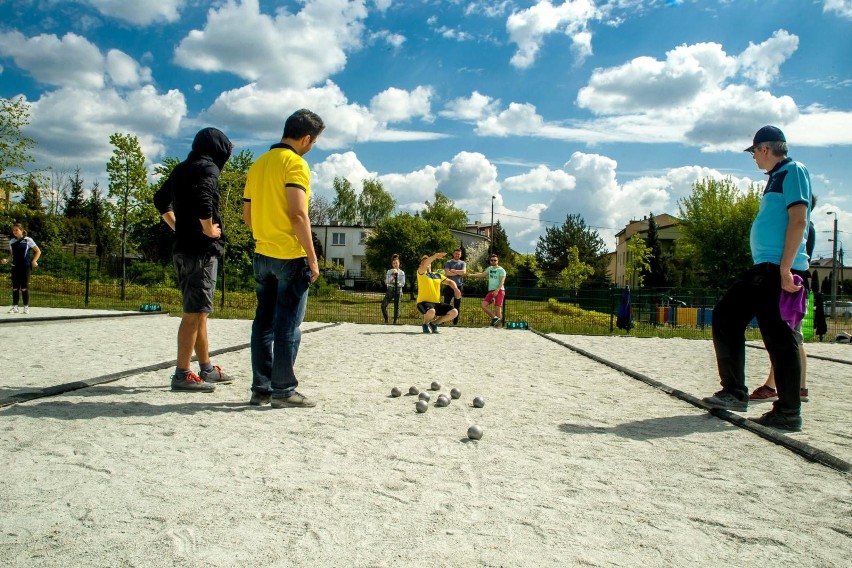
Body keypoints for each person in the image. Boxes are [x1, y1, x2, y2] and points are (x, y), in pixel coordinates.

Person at [702, 125, 811, 431]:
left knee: (779, 337)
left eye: (753, 153)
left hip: (779, 268)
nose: (753, 159)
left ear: (764, 148)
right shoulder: (776, 177)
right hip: (766, 267)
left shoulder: (794, 171)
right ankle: (735, 392)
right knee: (726, 316)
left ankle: (788, 411)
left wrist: (786, 268)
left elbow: (799, 218)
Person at [242, 109, 324, 408]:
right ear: (305, 138)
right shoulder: (295, 164)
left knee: (262, 323)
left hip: (262, 253)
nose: (311, 147)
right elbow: (298, 213)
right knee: (289, 325)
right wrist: (312, 259)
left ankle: (260, 389)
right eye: (313, 142)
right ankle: (284, 390)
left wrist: (266, 234)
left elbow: (247, 216)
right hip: (290, 255)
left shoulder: (258, 164)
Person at [154, 127, 234, 393]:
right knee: (192, 314)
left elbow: (160, 200)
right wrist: (207, 228)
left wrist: (177, 226)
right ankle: (182, 373)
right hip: (199, 251)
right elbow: (203, 199)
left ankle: (206, 368)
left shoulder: (181, 168)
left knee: (200, 312)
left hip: (183, 248)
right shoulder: (208, 169)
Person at [751, 194, 818, 403]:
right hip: (791, 282)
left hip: (791, 283)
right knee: (793, 339)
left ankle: (778, 386)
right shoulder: (801, 226)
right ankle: (797, 386)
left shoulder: (803, 227)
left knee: (788, 338)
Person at [416, 252, 461, 334]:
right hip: (423, 302)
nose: (427, 263)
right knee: (431, 311)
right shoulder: (421, 273)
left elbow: (450, 282)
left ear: (431, 265)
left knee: (454, 312)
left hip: (436, 303)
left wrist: (456, 289)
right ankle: (425, 324)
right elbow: (425, 264)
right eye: (424, 262)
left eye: (428, 262)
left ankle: (434, 323)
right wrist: (435, 256)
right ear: (421, 265)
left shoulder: (437, 275)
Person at [2, 224, 41, 314]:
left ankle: (26, 307)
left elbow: (38, 251)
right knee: (15, 287)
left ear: (21, 231)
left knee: (24, 287)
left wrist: (34, 261)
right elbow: (12, 255)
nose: (15, 232)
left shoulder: (28, 240)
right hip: (15, 266)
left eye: (16, 230)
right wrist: (7, 260)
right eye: (13, 230)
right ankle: (15, 307)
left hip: (26, 266)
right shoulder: (12, 241)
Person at [468, 254, 507, 327]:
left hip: (500, 290)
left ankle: (499, 327)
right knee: (483, 305)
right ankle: (494, 318)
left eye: (495, 260)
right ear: (490, 261)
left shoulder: (501, 270)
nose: (493, 261)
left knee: (498, 308)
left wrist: (497, 290)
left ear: (498, 261)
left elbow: (502, 281)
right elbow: (482, 274)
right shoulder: (489, 268)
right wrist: (471, 275)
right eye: (491, 260)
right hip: (491, 291)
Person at [441, 248, 466, 325]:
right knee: (446, 304)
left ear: (460, 255)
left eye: (459, 254)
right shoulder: (448, 262)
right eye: (456, 253)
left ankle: (455, 323)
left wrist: (454, 271)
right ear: (453, 254)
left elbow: (464, 272)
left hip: (458, 286)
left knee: (457, 305)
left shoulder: (462, 263)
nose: (457, 255)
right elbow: (447, 273)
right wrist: (458, 272)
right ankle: (442, 321)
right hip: (449, 286)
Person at [381, 254, 405, 324]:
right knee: (383, 306)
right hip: (390, 289)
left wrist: (396, 282)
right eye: (394, 263)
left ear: (399, 263)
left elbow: (402, 284)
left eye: (396, 263)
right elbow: (387, 281)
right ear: (392, 264)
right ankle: (386, 320)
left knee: (396, 307)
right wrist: (392, 278)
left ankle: (395, 321)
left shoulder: (402, 273)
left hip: (398, 290)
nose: (395, 264)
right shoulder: (389, 271)